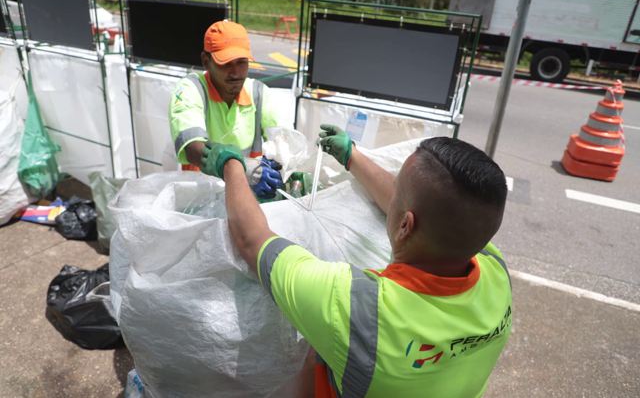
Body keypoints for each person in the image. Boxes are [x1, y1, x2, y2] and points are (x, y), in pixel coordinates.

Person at [208, 126, 512, 397]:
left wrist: (233, 167)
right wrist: (352, 156)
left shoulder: (358, 308)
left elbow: (251, 239)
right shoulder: (494, 268)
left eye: (397, 196)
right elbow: (424, 207)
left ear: (406, 225)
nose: (390, 196)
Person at [169, 20, 283, 199]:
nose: (236, 73)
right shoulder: (191, 89)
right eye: (226, 63)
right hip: (199, 196)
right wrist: (240, 167)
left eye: (241, 62)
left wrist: (289, 166)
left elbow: (283, 142)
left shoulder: (259, 93)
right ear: (205, 61)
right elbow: (192, 148)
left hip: (247, 195)